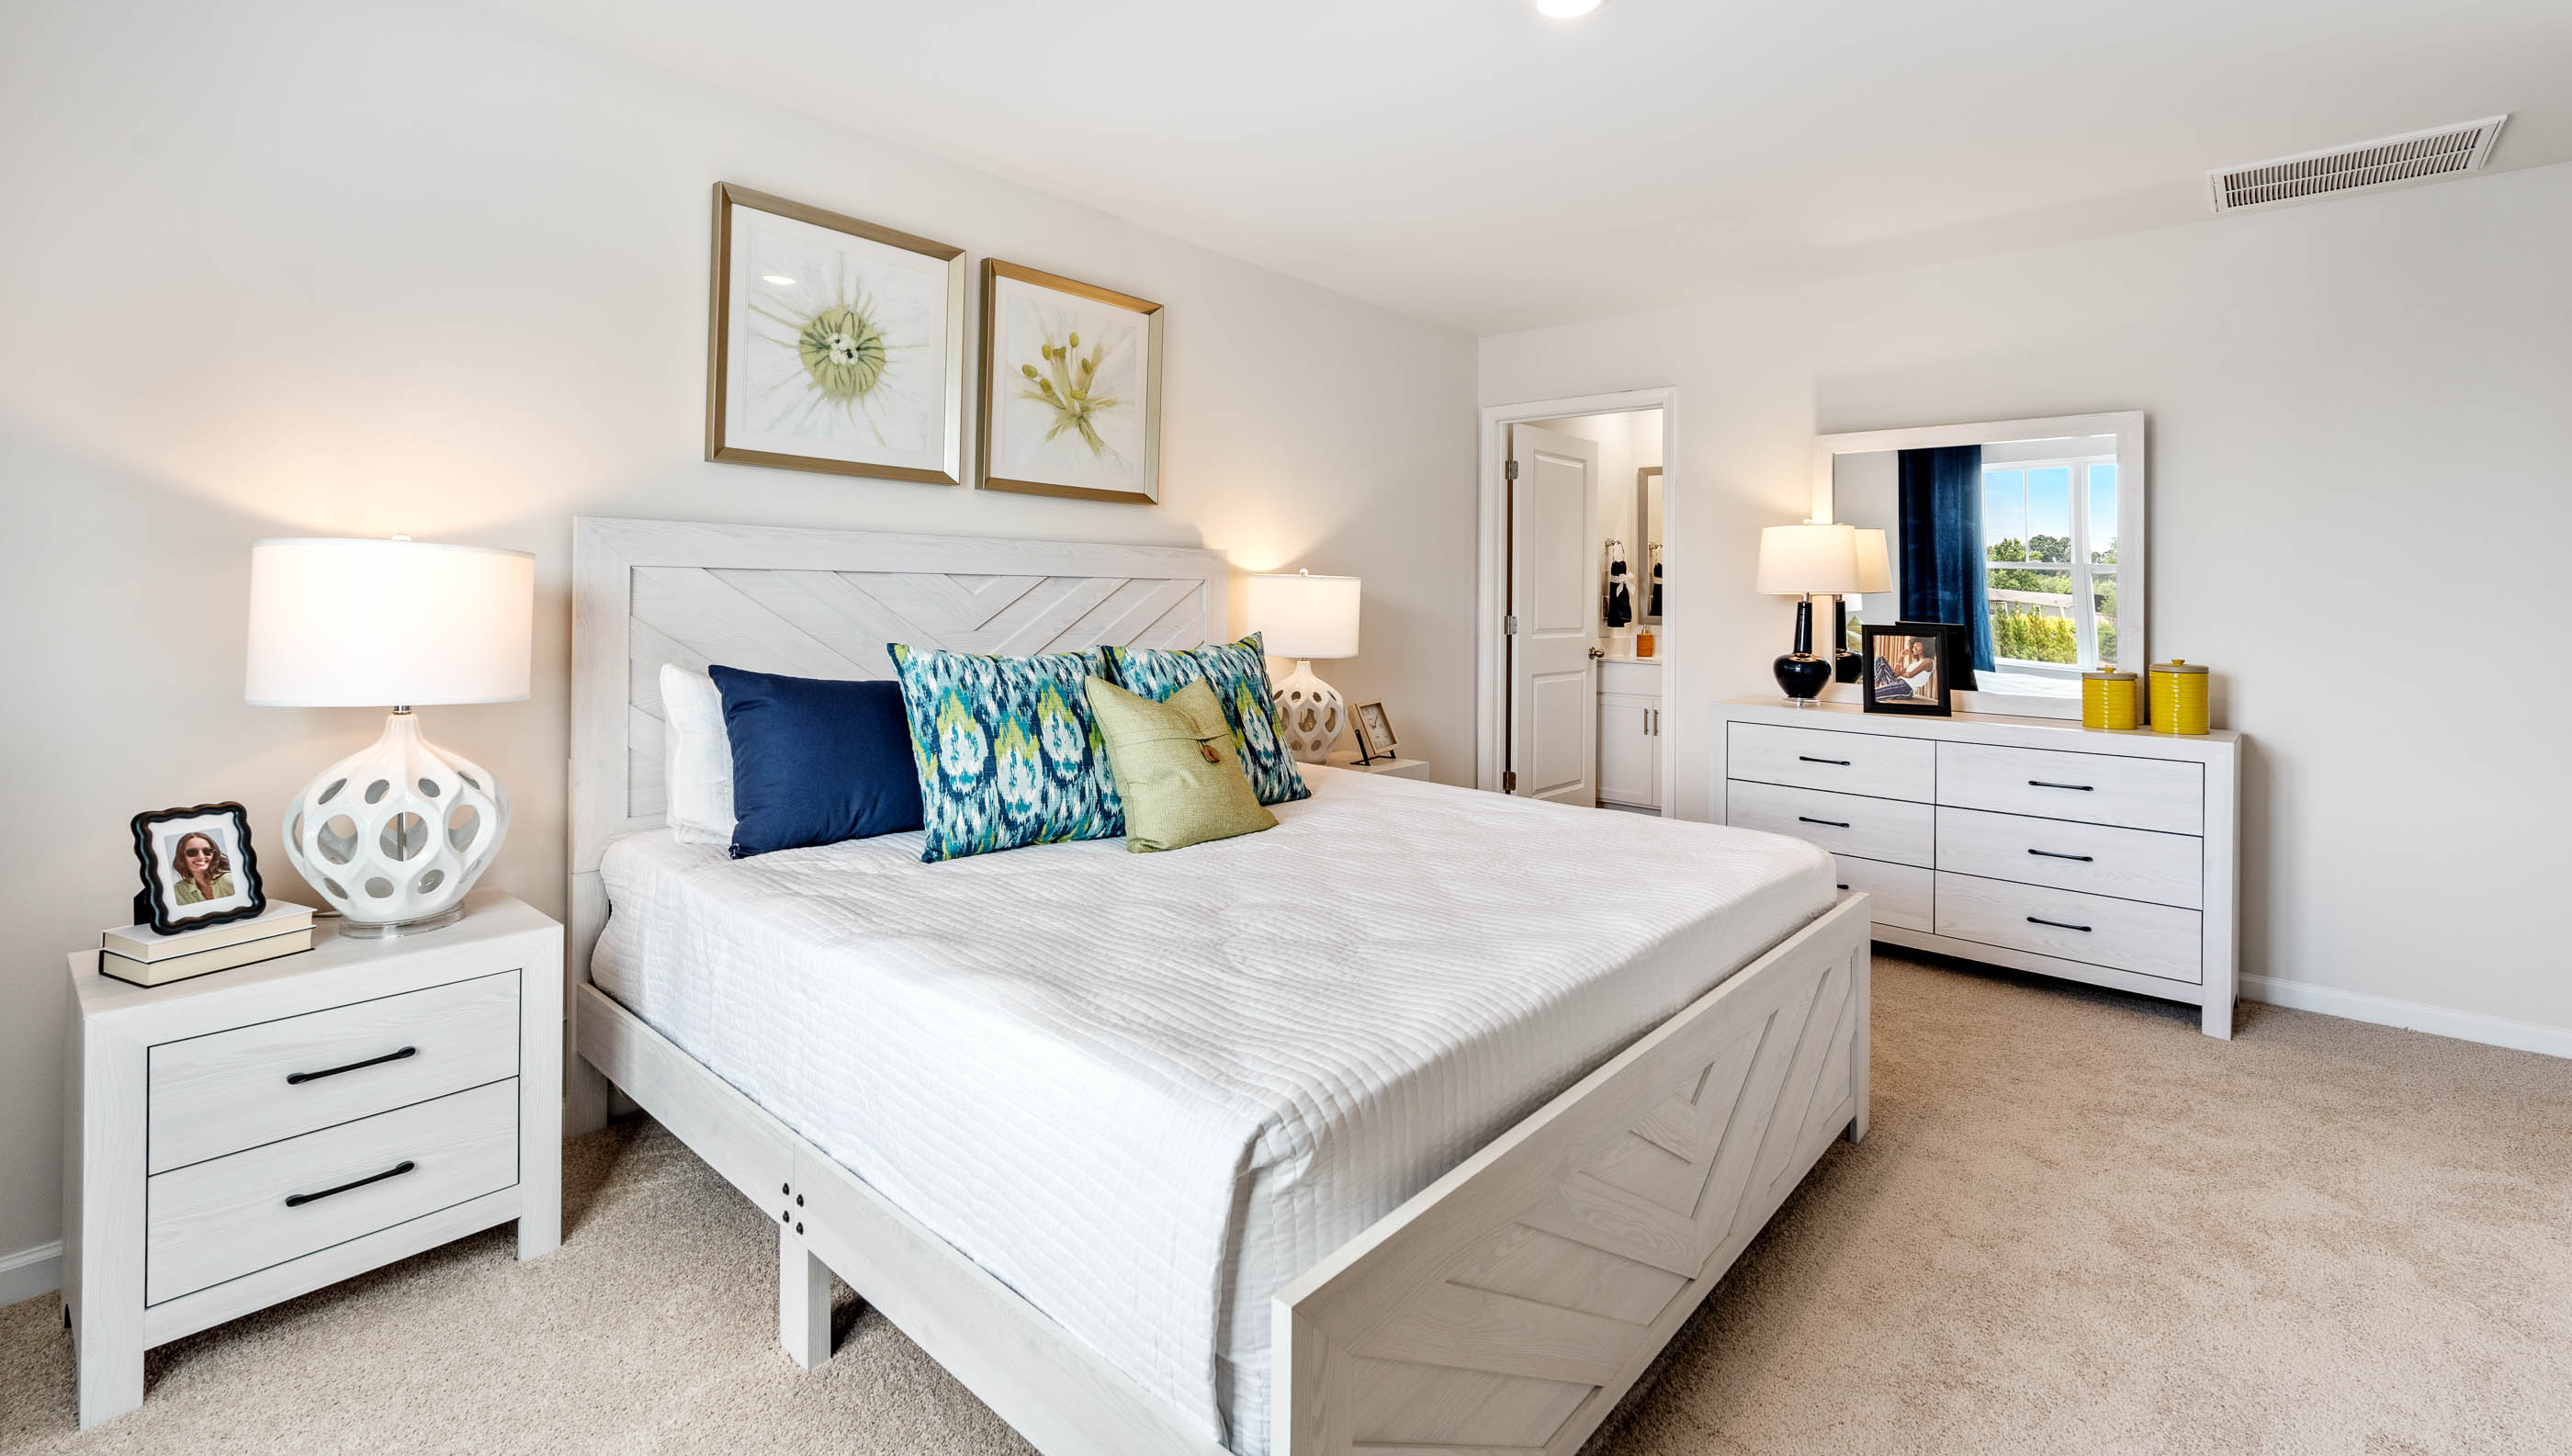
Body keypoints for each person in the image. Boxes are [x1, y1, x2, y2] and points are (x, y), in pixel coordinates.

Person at [171, 830, 235, 905]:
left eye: (207, 851)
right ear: (182, 857)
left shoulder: (229, 880)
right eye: (192, 852)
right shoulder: (179, 890)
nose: (201, 857)